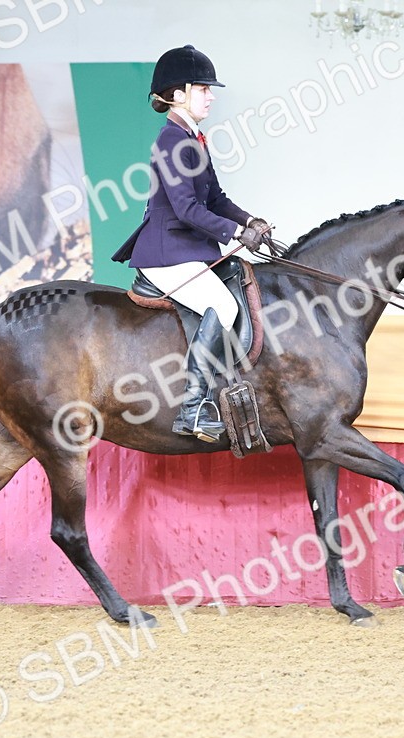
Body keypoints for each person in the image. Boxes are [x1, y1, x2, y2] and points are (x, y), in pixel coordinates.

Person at [112, 44, 273, 443]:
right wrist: (236, 235)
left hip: (189, 250)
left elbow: (215, 198)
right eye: (203, 88)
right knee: (222, 304)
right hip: (168, 252)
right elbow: (184, 208)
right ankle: (193, 408)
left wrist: (250, 220)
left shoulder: (194, 137)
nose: (211, 95)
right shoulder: (171, 139)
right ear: (179, 93)